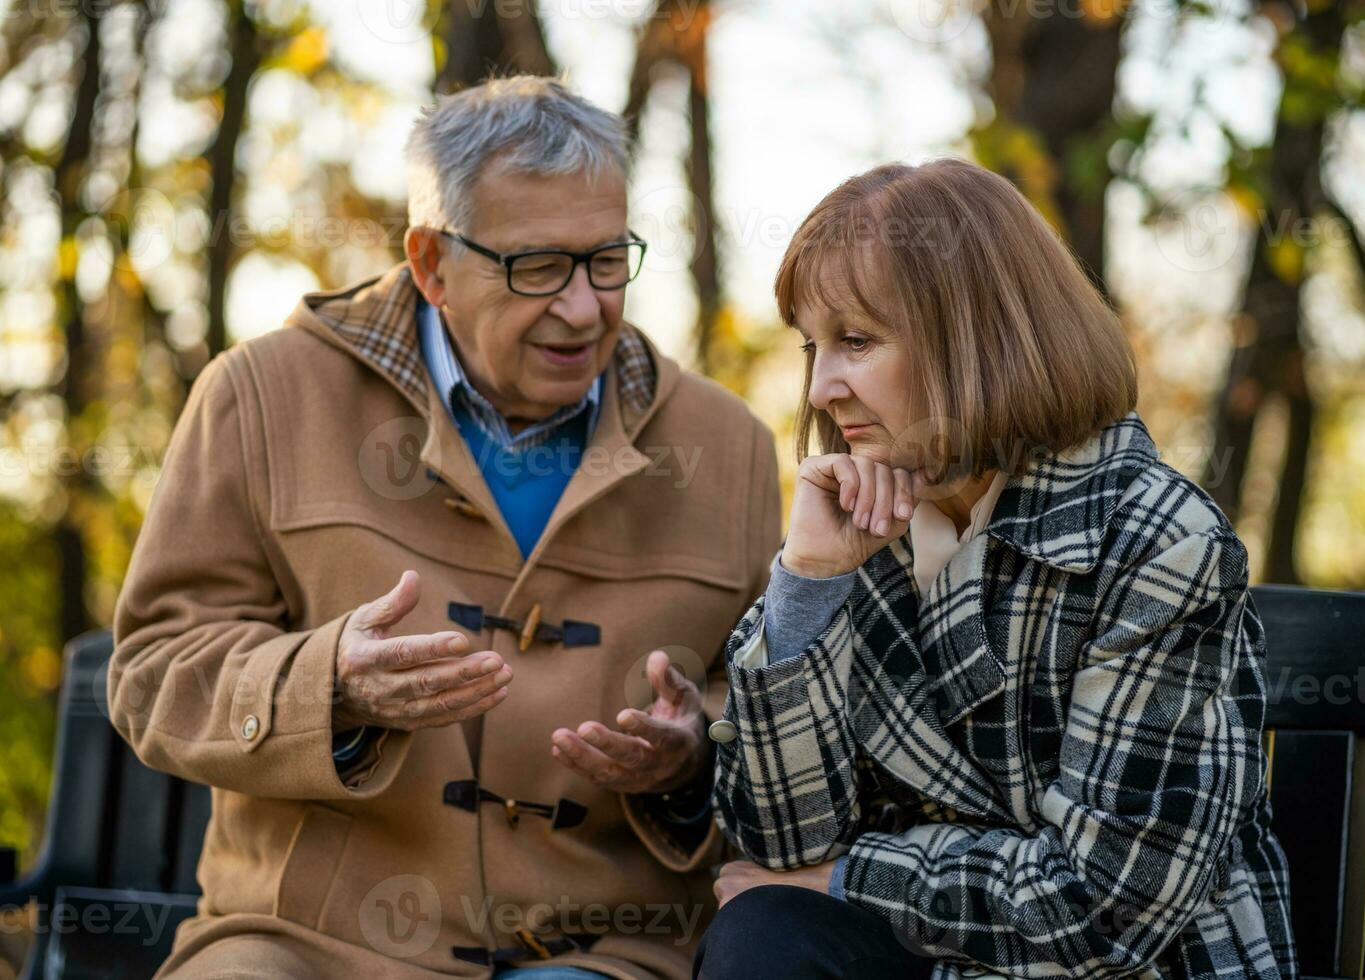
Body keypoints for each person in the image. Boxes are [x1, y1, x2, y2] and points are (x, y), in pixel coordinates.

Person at [108, 75, 780, 979]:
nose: (583, 309)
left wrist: (693, 756)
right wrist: (328, 687)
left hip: (601, 952)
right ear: (431, 263)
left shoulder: (726, 444)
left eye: (607, 258)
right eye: (537, 267)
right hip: (300, 944)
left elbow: (765, 709)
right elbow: (155, 674)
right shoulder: (261, 396)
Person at [696, 158, 1297, 979]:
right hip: (945, 954)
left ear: (974, 338)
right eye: (813, 346)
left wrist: (843, 876)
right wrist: (806, 584)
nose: (823, 387)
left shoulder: (1156, 541)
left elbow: (1105, 910)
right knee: (762, 932)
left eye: (857, 341)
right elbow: (777, 848)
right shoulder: (867, 534)